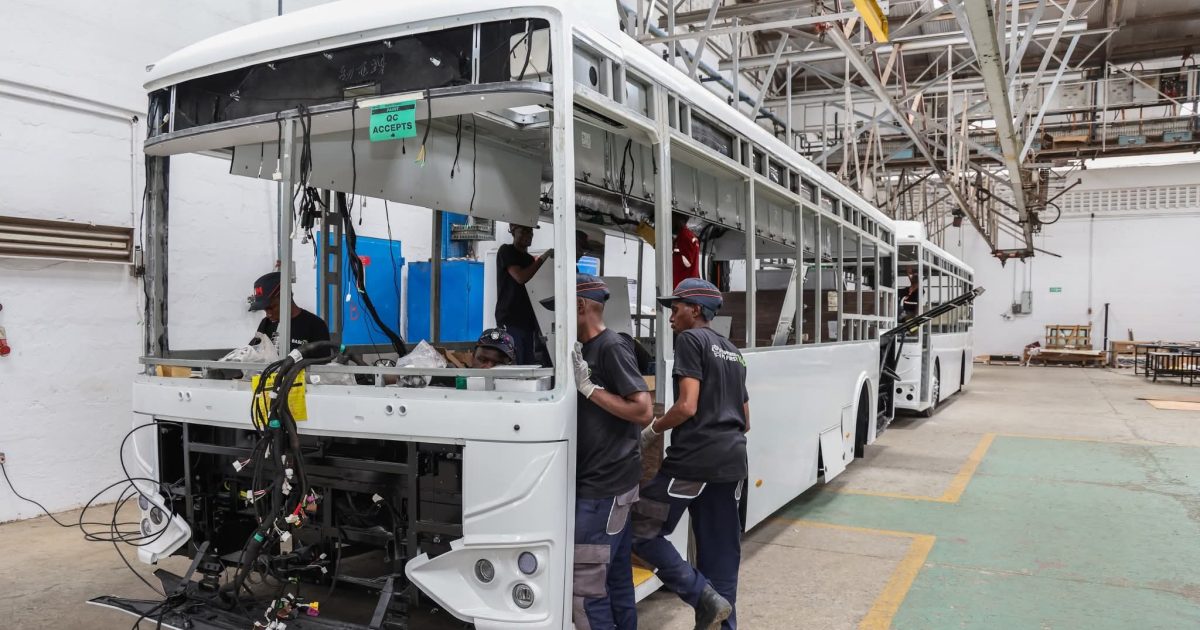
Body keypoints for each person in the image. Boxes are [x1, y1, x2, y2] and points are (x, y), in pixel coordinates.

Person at [634, 278, 749, 630]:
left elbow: (687, 405)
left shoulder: (690, 340)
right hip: (733, 463)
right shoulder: (733, 351)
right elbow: (746, 421)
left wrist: (652, 430)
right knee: (721, 555)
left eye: (676, 308)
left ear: (696, 310)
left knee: (639, 529)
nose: (671, 317)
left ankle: (700, 595)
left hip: (694, 461)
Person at [540, 274, 652, 630]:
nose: (558, 318)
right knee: (616, 581)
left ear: (580, 306)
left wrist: (589, 389)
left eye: (562, 308)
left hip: (604, 488)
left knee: (584, 592)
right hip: (606, 484)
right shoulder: (583, 350)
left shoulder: (611, 346)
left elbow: (643, 410)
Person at [496, 223, 553, 365]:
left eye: (530, 231)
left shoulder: (529, 260)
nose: (528, 235)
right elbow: (520, 277)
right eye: (524, 231)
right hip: (510, 319)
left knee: (528, 363)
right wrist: (542, 258)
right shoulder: (506, 251)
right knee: (517, 364)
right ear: (513, 231)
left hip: (527, 322)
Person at [249, 271, 330, 351]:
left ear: (286, 297)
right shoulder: (266, 323)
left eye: (271, 307)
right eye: (265, 309)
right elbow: (252, 353)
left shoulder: (315, 325)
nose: (268, 314)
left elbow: (323, 359)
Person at [672, 213, 701, 285]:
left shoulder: (684, 236)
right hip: (689, 284)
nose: (670, 223)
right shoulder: (689, 235)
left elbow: (687, 262)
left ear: (679, 221)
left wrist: (669, 256)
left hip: (685, 286)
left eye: (672, 219)